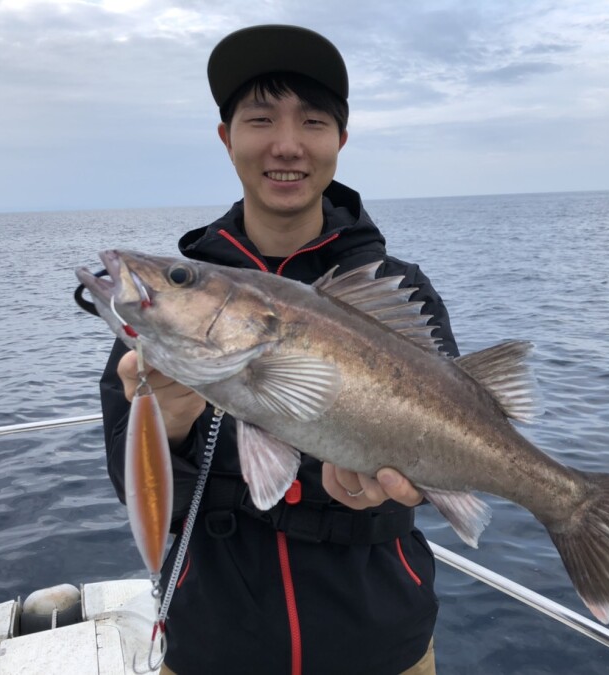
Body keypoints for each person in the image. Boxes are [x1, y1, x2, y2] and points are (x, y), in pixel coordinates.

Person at [99, 25, 459, 675]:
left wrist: (393, 488)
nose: (287, 145)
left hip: (382, 648)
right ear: (225, 138)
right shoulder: (165, 320)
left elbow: (449, 452)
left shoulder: (397, 291)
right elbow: (140, 502)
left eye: (313, 122)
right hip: (213, 648)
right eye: (260, 119)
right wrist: (166, 430)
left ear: (340, 143)